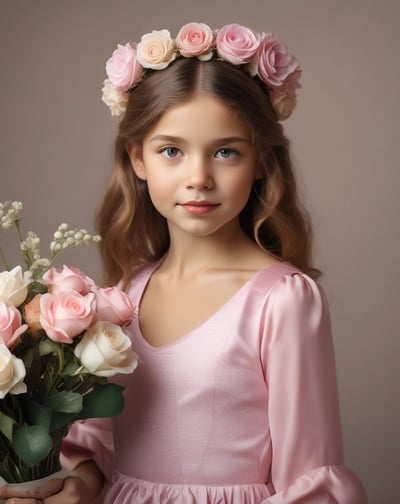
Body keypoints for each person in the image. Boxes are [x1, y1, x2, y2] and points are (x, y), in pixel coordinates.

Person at [0, 22, 367, 504]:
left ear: (260, 161)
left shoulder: (283, 300)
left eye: (226, 152)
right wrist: (83, 485)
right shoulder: (125, 295)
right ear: (137, 159)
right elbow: (99, 444)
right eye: (171, 150)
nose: (199, 178)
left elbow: (310, 480)